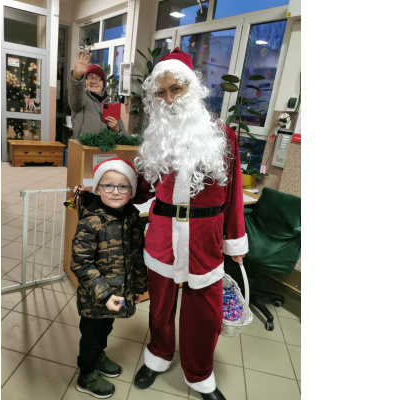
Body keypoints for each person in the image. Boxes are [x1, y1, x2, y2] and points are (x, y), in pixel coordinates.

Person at [130, 48, 247, 400]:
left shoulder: (222, 135)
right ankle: (159, 354)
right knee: (160, 307)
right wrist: (108, 190)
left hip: (204, 238)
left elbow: (234, 194)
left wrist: (235, 240)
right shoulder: (155, 135)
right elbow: (142, 185)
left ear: (192, 88)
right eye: (160, 92)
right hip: (162, 235)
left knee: (205, 314)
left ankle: (200, 375)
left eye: (176, 89)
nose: (168, 99)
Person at [71, 157, 147, 399]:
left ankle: (98, 357)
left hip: (120, 293)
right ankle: (86, 374)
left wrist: (139, 286)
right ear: (97, 189)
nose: (116, 191)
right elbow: (81, 264)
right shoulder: (90, 222)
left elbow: (137, 256)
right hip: (96, 298)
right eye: (108, 185)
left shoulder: (133, 218)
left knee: (106, 329)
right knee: (91, 336)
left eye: (123, 186)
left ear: (131, 191)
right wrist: (104, 296)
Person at [68, 50, 127, 139]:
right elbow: (75, 93)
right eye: (90, 78)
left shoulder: (111, 106)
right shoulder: (81, 100)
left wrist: (117, 129)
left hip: (104, 148)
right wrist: (77, 76)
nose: (93, 81)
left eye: (97, 78)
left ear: (103, 84)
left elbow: (125, 138)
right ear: (85, 82)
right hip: (83, 147)